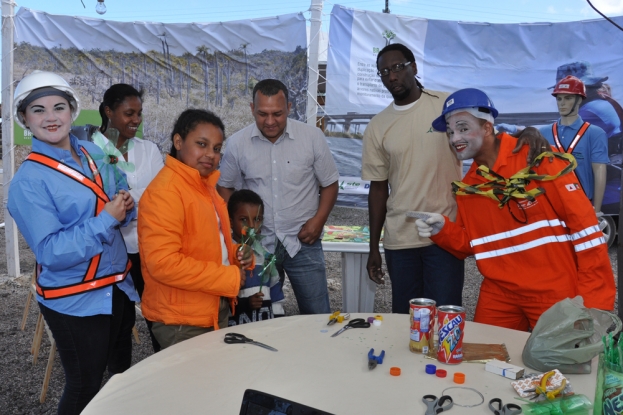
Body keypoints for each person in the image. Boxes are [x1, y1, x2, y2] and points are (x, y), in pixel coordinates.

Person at [365, 43, 549, 314]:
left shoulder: (446, 107)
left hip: (445, 234)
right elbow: (378, 189)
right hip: (400, 240)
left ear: (413, 67)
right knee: (407, 323)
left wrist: (527, 132)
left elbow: (488, 138)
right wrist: (373, 248)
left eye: (397, 68)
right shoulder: (377, 126)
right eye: (383, 72)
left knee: (445, 319)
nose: (391, 76)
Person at [415, 88, 615, 331]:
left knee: (562, 365)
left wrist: (594, 303)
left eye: (463, 128)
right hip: (499, 293)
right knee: (486, 362)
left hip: (553, 291)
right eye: (450, 131)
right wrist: (443, 229)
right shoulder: (470, 187)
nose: (455, 138)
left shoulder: (537, 159)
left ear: (487, 128)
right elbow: (475, 243)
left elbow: (586, 232)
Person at [7, 70, 138, 415]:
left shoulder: (96, 151)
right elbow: (51, 252)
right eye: (38, 110)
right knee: (84, 385)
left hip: (117, 285)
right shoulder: (28, 181)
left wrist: (125, 203)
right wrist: (108, 218)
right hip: (75, 298)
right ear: (24, 118)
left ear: (73, 111)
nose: (50, 117)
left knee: (118, 375)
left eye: (59, 107)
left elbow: (118, 184)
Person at [217, 79, 339, 315]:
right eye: (262, 114)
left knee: (317, 315)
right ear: (252, 109)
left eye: (277, 114)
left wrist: (319, 220)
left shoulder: (311, 137)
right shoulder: (237, 144)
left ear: (290, 108)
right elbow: (225, 188)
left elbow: (330, 184)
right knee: (260, 315)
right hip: (257, 247)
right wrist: (238, 232)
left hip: (303, 241)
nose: (270, 121)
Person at [138, 109, 252, 349]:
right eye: (202, 144)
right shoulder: (167, 191)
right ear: (178, 142)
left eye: (217, 148)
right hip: (182, 321)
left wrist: (236, 253)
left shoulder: (203, 186)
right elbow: (163, 264)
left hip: (207, 308)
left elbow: (209, 243)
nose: (210, 154)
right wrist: (228, 276)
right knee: (193, 385)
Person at [94, 84, 164, 352]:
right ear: (109, 111)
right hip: (109, 253)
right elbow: (95, 203)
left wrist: (123, 198)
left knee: (158, 318)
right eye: (129, 113)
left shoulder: (149, 150)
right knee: (119, 325)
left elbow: (161, 196)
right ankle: (118, 380)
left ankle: (165, 375)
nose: (136, 120)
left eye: (139, 113)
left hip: (148, 248)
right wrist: (140, 196)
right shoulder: (89, 151)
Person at [538, 75, 609, 215]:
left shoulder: (595, 133)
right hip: (550, 205)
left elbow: (599, 171)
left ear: (579, 100)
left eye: (568, 98)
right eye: (559, 98)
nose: (562, 103)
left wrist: (597, 210)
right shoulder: (543, 133)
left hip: (582, 205)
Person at [227, 189, 286, 326]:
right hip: (233, 330)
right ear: (230, 222)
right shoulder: (225, 256)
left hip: (264, 329)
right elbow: (220, 303)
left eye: (257, 219)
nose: (252, 226)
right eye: (244, 220)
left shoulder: (266, 257)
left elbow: (276, 292)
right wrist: (245, 304)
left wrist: (278, 323)